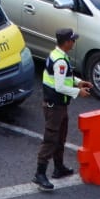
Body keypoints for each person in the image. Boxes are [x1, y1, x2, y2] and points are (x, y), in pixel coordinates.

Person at [33, 27, 91, 190]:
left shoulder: (58, 55)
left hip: (59, 106)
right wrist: (78, 91)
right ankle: (39, 174)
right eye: (72, 40)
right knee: (50, 139)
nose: (74, 42)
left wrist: (78, 82)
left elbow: (65, 77)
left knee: (60, 137)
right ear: (66, 42)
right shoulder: (60, 61)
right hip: (55, 107)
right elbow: (59, 87)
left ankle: (59, 168)